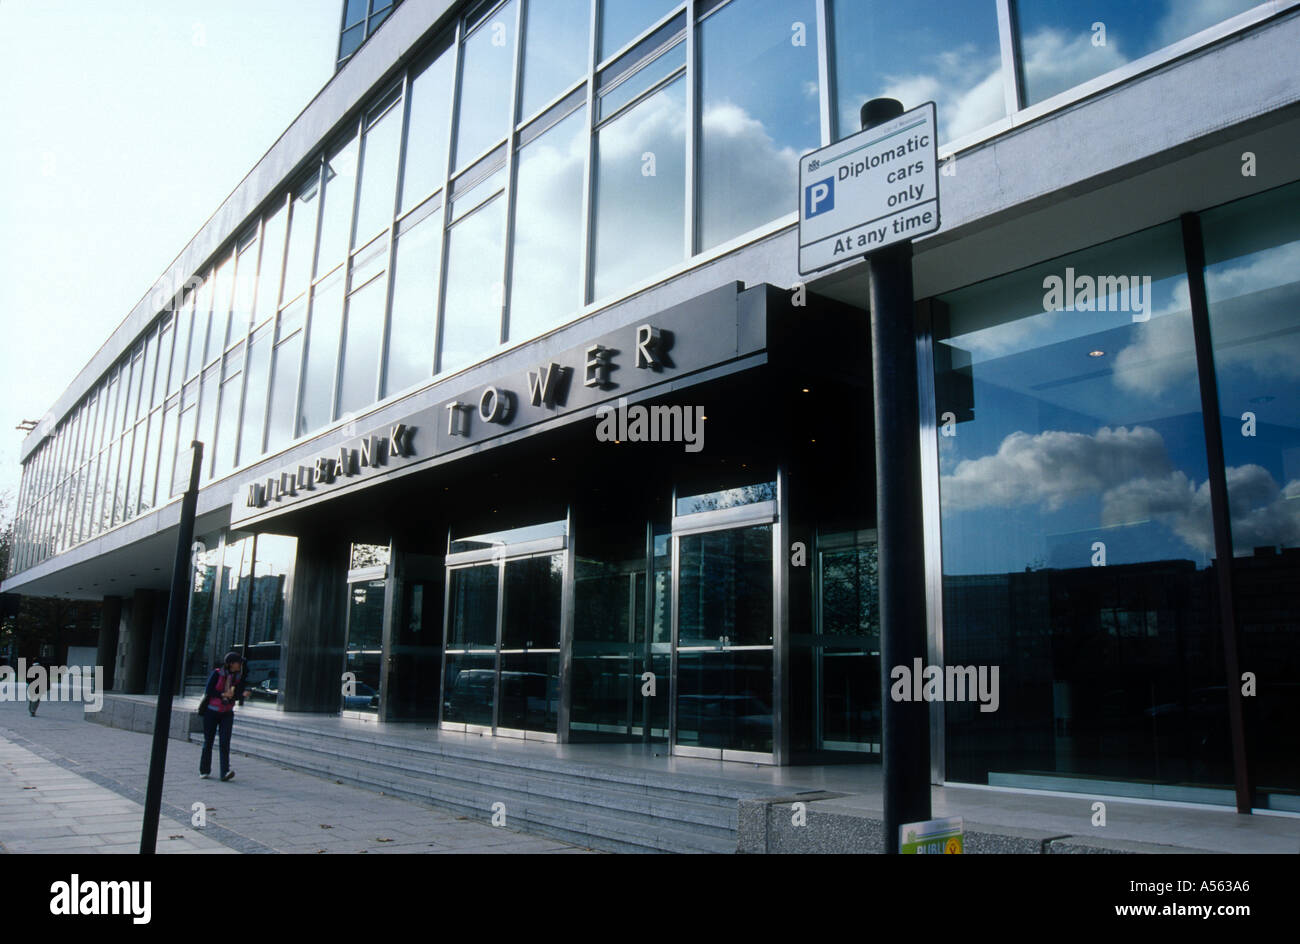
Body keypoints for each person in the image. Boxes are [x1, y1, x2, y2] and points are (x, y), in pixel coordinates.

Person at [199, 651, 249, 781]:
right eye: (239, 662)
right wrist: (223, 694)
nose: (240, 665)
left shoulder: (238, 677)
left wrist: (241, 694)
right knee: (208, 741)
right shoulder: (217, 673)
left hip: (227, 713)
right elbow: (209, 690)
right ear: (231, 664)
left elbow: (237, 694)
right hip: (212, 711)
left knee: (225, 742)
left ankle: (225, 772)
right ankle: (204, 770)